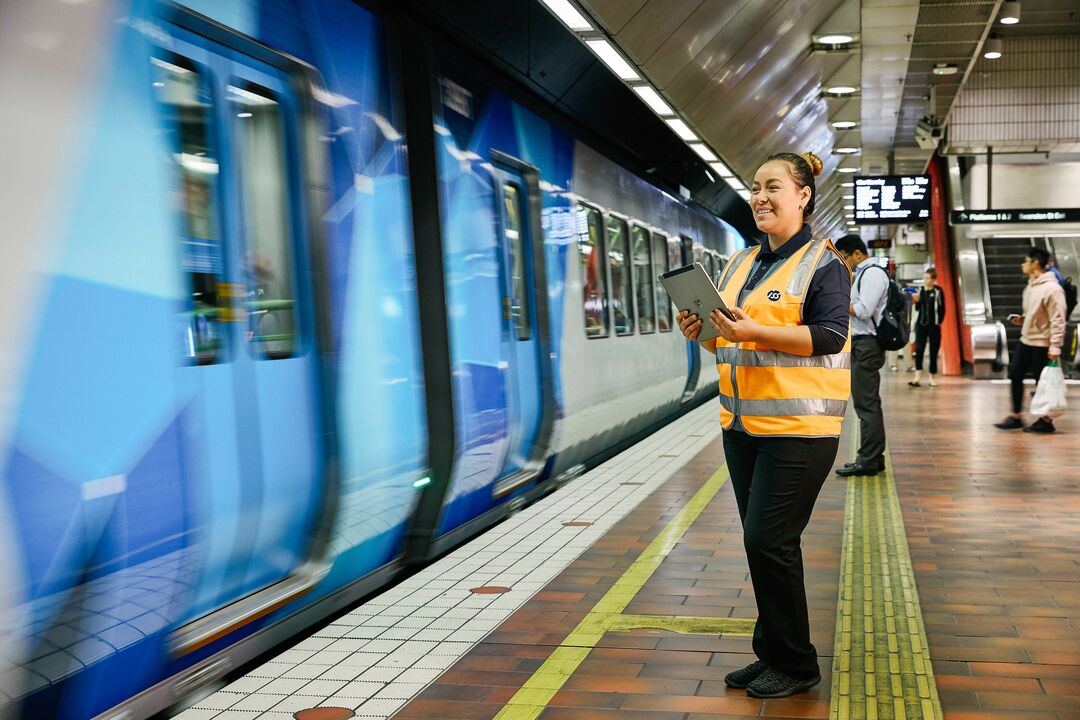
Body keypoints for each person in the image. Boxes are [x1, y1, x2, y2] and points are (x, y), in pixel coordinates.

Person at [677, 151, 850, 699]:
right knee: (763, 546)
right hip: (743, 427)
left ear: (802, 196)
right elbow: (724, 339)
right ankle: (773, 652)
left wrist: (752, 331)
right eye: (755, 187)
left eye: (773, 186)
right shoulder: (739, 263)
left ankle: (797, 665)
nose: (760, 197)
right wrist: (699, 330)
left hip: (801, 432)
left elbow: (829, 337)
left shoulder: (824, 265)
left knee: (768, 539)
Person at [833, 234, 889, 477]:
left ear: (857, 253)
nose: (844, 262)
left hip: (867, 345)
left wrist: (835, 306)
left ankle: (868, 459)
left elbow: (865, 310)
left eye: (845, 256)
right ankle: (873, 457)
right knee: (866, 403)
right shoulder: (863, 274)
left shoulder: (873, 273)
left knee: (866, 405)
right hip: (861, 344)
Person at [994, 247, 1067, 433]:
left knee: (1041, 381)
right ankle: (1016, 415)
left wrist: (1055, 345)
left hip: (1043, 343)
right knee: (1015, 375)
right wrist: (1023, 320)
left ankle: (1046, 420)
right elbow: (1035, 314)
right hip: (1026, 340)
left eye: (1026, 261)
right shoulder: (1031, 285)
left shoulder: (1053, 289)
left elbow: (1058, 319)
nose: (1022, 265)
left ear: (1035, 263)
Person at [909, 267, 945, 387]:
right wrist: (918, 301)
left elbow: (942, 308)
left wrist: (938, 321)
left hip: (934, 326)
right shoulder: (920, 290)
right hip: (921, 325)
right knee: (919, 350)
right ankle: (917, 377)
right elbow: (918, 309)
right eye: (924, 278)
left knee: (933, 351)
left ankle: (932, 377)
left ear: (933, 279)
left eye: (928, 278)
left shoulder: (938, 291)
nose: (925, 280)